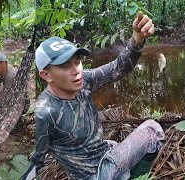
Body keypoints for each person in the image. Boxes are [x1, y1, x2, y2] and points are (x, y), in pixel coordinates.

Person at [31, 11, 165, 180]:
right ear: (46, 75)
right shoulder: (45, 112)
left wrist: (137, 38)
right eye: (65, 66)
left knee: (116, 145)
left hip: (104, 156)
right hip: (95, 175)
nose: (76, 71)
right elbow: (36, 161)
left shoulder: (83, 80)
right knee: (153, 129)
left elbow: (118, 68)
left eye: (77, 61)